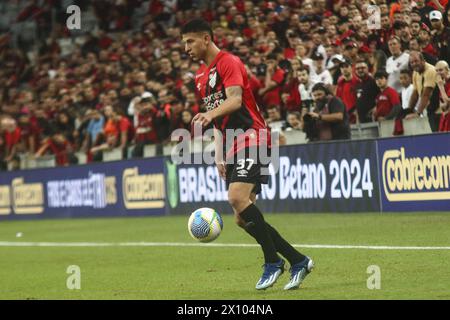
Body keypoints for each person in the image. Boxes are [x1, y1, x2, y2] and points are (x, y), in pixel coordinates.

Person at [181, 19, 313, 291]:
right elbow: (219, 122)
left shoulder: (229, 62)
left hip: (254, 136)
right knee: (242, 217)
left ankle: (271, 262)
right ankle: (298, 260)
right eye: (184, 42)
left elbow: (235, 101)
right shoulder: (201, 78)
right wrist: (219, 155)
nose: (186, 48)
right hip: (232, 145)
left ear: (206, 38)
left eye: (190, 41)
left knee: (236, 197)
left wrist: (208, 114)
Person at [406, 51, 440, 131]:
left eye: (416, 61)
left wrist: (417, 113)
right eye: (412, 62)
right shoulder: (415, 72)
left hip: (439, 110)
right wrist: (408, 110)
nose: (414, 64)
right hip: (431, 110)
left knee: (440, 137)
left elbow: (426, 95)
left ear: (423, 61)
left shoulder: (430, 70)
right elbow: (415, 94)